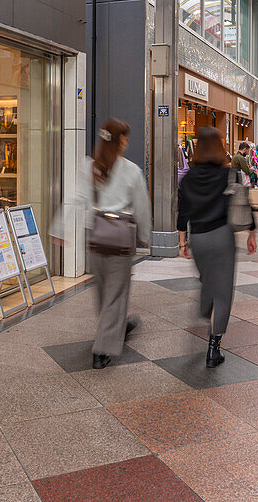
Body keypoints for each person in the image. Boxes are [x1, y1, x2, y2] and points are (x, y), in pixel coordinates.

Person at [75, 119, 152, 369]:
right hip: (120, 240)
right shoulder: (131, 170)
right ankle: (103, 349)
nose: (127, 142)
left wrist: (61, 229)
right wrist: (146, 235)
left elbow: (77, 199)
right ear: (119, 140)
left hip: (96, 238)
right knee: (116, 294)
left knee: (103, 290)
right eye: (125, 138)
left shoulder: (89, 166)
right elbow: (141, 206)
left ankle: (117, 326)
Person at [178, 127, 257, 368]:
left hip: (198, 238)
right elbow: (243, 201)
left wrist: (183, 241)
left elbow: (182, 212)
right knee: (222, 291)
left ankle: (207, 308)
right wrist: (252, 232)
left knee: (208, 282)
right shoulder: (229, 174)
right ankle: (214, 347)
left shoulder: (189, 178)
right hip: (222, 236)